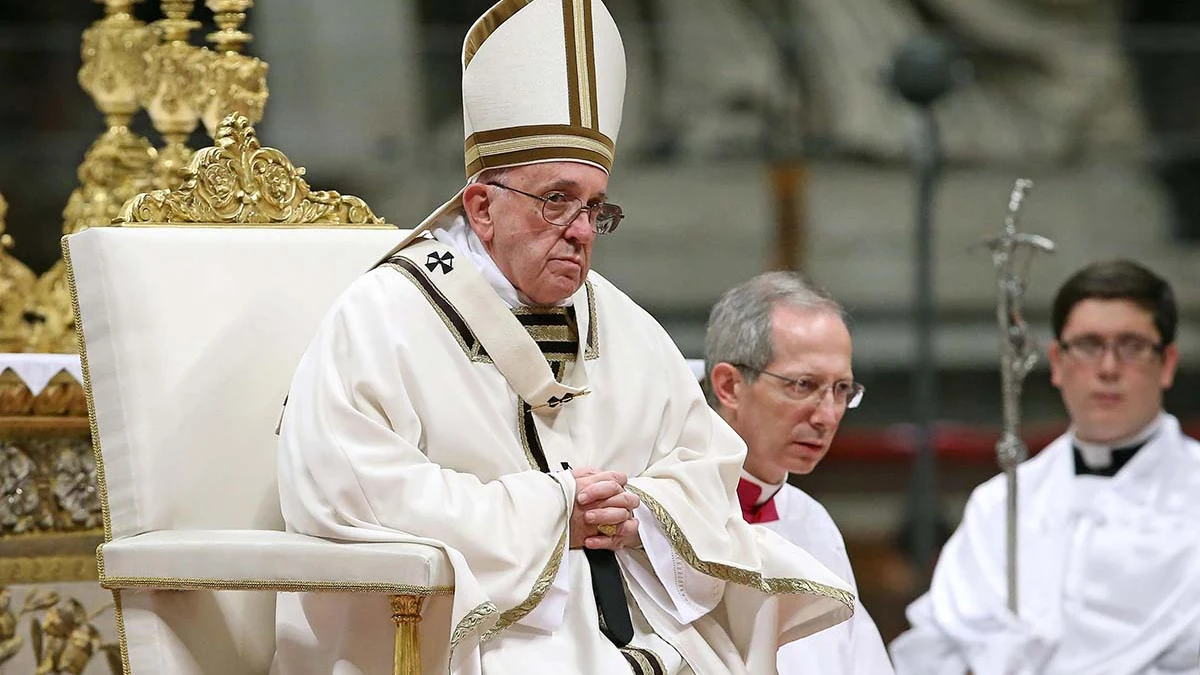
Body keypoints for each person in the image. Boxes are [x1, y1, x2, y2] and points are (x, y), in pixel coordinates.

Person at [269, 2, 854, 675]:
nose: (580, 229)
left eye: (595, 207)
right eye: (556, 200)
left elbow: (707, 470)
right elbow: (346, 491)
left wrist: (642, 514)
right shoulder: (383, 318)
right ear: (482, 207)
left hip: (630, 633)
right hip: (466, 636)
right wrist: (553, 513)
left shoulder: (624, 326)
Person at [889, 259, 1200, 674]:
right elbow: (933, 644)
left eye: (1131, 347)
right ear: (1056, 362)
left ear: (1167, 363)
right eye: (1088, 345)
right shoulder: (1002, 504)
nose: (1107, 369)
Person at [704, 271, 896, 675]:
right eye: (804, 385)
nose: (827, 416)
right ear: (729, 386)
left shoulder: (814, 524)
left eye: (841, 390)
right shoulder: (660, 509)